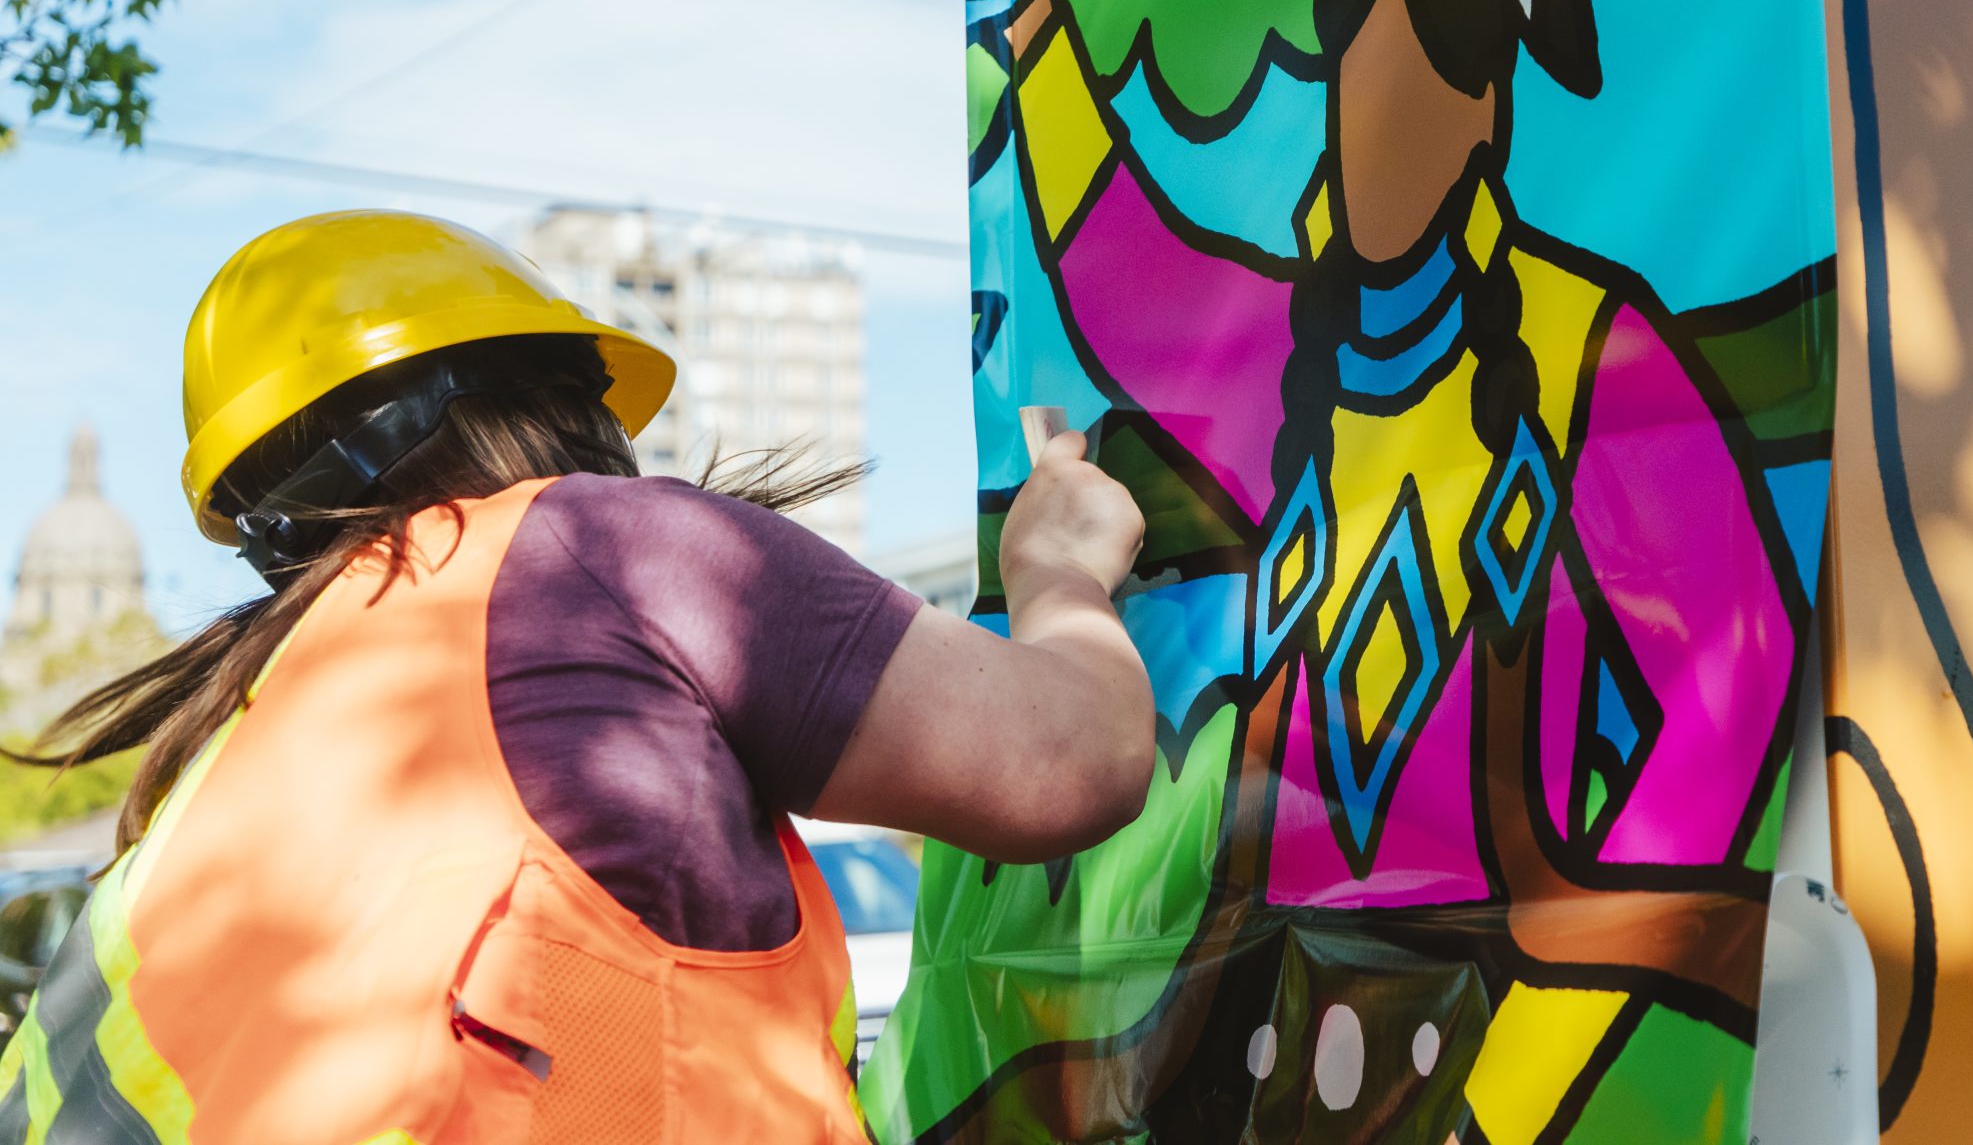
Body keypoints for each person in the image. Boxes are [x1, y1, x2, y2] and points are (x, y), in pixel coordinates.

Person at [0, 209, 1155, 1144]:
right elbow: (1065, 758)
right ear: (536, 393)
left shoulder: (235, 755)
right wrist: (1057, 574)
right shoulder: (594, 550)